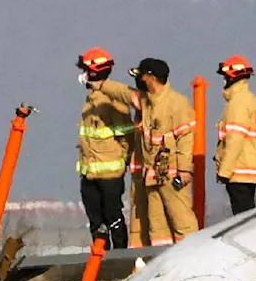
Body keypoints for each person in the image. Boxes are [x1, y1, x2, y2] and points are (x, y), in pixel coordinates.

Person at [93, 58, 199, 246]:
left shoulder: (177, 103)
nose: (139, 80)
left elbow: (186, 140)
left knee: (182, 222)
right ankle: (160, 264)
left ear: (151, 77)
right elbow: (123, 93)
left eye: (141, 75)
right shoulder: (146, 101)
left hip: (171, 176)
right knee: (157, 226)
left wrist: (184, 171)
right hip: (153, 176)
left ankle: (192, 257)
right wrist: (101, 84)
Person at [74, 48, 135, 250]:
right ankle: (99, 259)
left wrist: (122, 160)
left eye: (86, 71)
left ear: (93, 72)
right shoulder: (91, 101)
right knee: (95, 221)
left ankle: (119, 258)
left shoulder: (112, 101)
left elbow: (127, 136)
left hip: (109, 176)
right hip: (90, 173)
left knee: (113, 217)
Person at [213, 55, 256, 215]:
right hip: (249, 170)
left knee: (242, 219)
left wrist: (224, 171)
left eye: (225, 77)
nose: (223, 81)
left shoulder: (237, 103)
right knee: (249, 216)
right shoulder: (253, 101)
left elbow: (235, 140)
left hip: (238, 171)